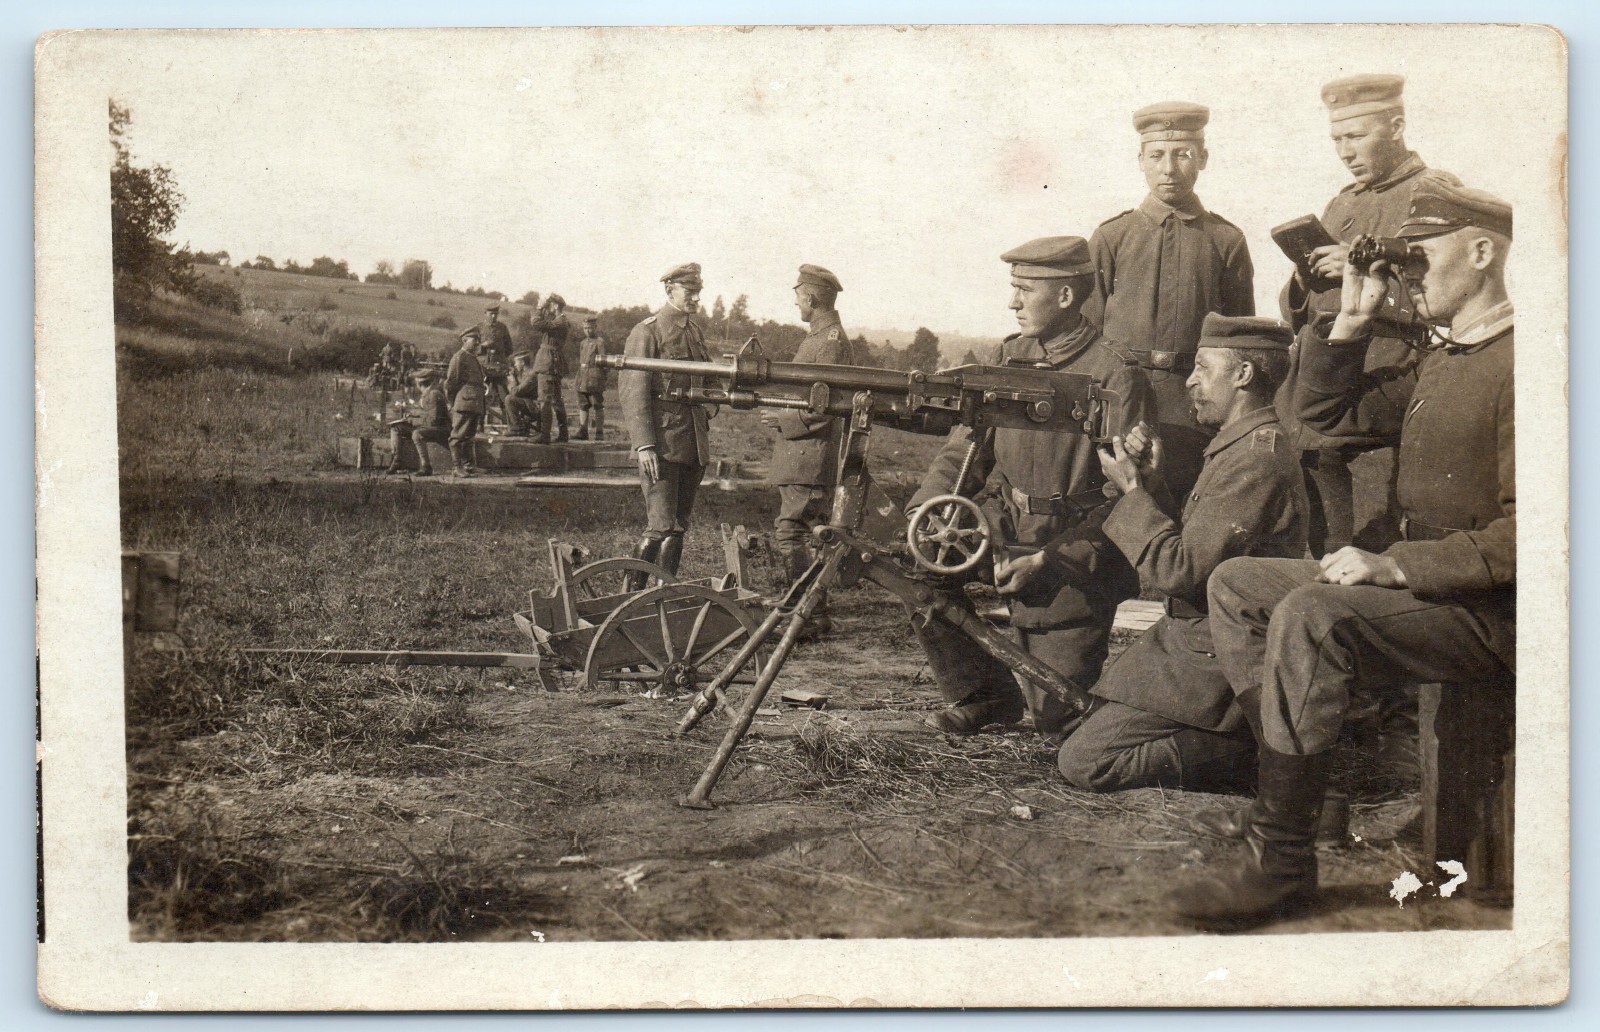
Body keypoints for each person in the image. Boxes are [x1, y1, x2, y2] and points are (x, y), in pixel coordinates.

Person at [1171, 183, 1515, 927]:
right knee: (1239, 585)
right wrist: (1352, 323)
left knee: (1314, 614)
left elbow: (1545, 534)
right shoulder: (1445, 358)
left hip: (1498, 610)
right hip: (1442, 596)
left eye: (1419, 262)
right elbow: (1315, 424)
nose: (1409, 280)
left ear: (1484, 252)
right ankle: (1296, 792)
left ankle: (1283, 861)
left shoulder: (1526, 364)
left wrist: (1398, 567)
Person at [908, 237, 1153, 737]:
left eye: (1024, 290)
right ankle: (986, 695)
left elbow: (1121, 500)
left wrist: (1048, 560)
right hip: (1004, 530)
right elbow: (964, 448)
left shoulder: (1114, 374)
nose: (1012, 302)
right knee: (920, 567)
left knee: (1056, 721)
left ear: (1065, 297)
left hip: (1072, 556)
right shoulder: (1008, 355)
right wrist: (928, 510)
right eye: (1012, 288)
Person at [1055, 315, 1307, 792]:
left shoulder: (1254, 460)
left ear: (1243, 376)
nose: (1189, 380)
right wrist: (1151, 486)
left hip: (1219, 654)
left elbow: (1178, 572)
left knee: (1086, 762)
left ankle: (1258, 756)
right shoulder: (1237, 448)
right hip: (1196, 640)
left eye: (1202, 368)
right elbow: (1199, 553)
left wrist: (1131, 494)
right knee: (1078, 731)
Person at [1280, 74, 1461, 556]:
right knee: (1318, 549)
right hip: (1319, 404)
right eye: (1337, 139)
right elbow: (1305, 314)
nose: (1344, 151)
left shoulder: (1436, 193)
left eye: (1356, 136)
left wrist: (1364, 279)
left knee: (1368, 546)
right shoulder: (1344, 203)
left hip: (1379, 401)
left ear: (1397, 125)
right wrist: (1305, 280)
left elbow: (1450, 299)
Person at [1085, 101, 1255, 503]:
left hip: (1195, 404)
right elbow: (1087, 334)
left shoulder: (1226, 240)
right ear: (1140, 159)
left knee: (1183, 504)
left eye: (1184, 155)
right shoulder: (1112, 237)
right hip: (1121, 400)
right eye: (1157, 155)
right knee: (1110, 509)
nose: (1169, 168)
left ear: (1204, 159)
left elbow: (1240, 338)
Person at [762, 264, 856, 638]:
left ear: (812, 298)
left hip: (808, 455)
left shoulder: (826, 343)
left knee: (792, 532)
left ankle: (808, 615)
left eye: (798, 296)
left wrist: (783, 420)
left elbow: (825, 406)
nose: (796, 304)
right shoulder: (821, 338)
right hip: (805, 456)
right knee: (807, 531)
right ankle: (805, 608)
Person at [619, 264, 718, 587]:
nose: (696, 298)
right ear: (669, 290)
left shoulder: (695, 332)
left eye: (698, 292)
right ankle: (629, 594)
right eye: (689, 292)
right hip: (661, 446)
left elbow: (711, 380)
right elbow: (633, 392)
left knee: (678, 525)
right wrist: (644, 445)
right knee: (660, 525)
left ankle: (662, 594)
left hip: (693, 445)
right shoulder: (647, 332)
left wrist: (711, 407)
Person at [384, 367, 451, 476]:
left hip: (442, 429)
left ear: (419, 384)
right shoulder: (427, 394)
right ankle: (397, 461)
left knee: (417, 434)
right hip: (430, 427)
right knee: (396, 428)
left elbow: (434, 420)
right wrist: (413, 414)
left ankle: (426, 466)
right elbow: (425, 412)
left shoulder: (434, 394)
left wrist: (414, 421)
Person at [444, 326, 487, 477]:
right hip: (464, 402)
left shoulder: (472, 357)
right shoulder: (459, 357)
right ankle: (457, 467)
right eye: (474, 339)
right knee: (457, 436)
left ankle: (469, 466)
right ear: (464, 340)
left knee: (469, 435)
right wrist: (453, 402)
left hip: (474, 402)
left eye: (478, 340)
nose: (477, 342)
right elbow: (451, 383)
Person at [531, 295, 571, 444]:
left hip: (548, 362)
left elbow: (536, 323)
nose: (548, 309)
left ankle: (545, 434)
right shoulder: (560, 320)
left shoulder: (560, 321)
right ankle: (563, 433)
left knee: (545, 399)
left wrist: (539, 308)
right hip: (552, 361)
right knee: (556, 400)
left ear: (555, 306)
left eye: (550, 306)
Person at [477, 302, 516, 431]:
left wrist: (500, 356)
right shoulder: (479, 328)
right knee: (480, 396)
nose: (493, 316)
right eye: (491, 314)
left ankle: (511, 425)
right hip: (484, 368)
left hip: (499, 368)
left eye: (495, 314)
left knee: (504, 397)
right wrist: (483, 346)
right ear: (485, 314)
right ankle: (479, 424)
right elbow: (472, 348)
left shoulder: (502, 328)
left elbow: (509, 348)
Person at [574, 315, 610, 441]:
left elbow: (604, 361)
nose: (587, 331)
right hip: (582, 377)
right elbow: (581, 361)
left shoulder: (600, 342)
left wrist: (602, 378)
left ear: (595, 327)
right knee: (583, 404)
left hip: (595, 378)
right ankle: (583, 431)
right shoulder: (583, 343)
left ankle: (599, 433)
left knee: (597, 404)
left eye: (590, 328)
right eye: (585, 328)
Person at [504, 350, 541, 437]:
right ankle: (517, 427)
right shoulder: (524, 374)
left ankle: (517, 429)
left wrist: (512, 380)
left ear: (523, 362)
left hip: (535, 407)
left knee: (509, 399)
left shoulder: (531, 375)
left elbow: (515, 392)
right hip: (530, 404)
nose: (515, 365)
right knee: (509, 398)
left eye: (516, 362)